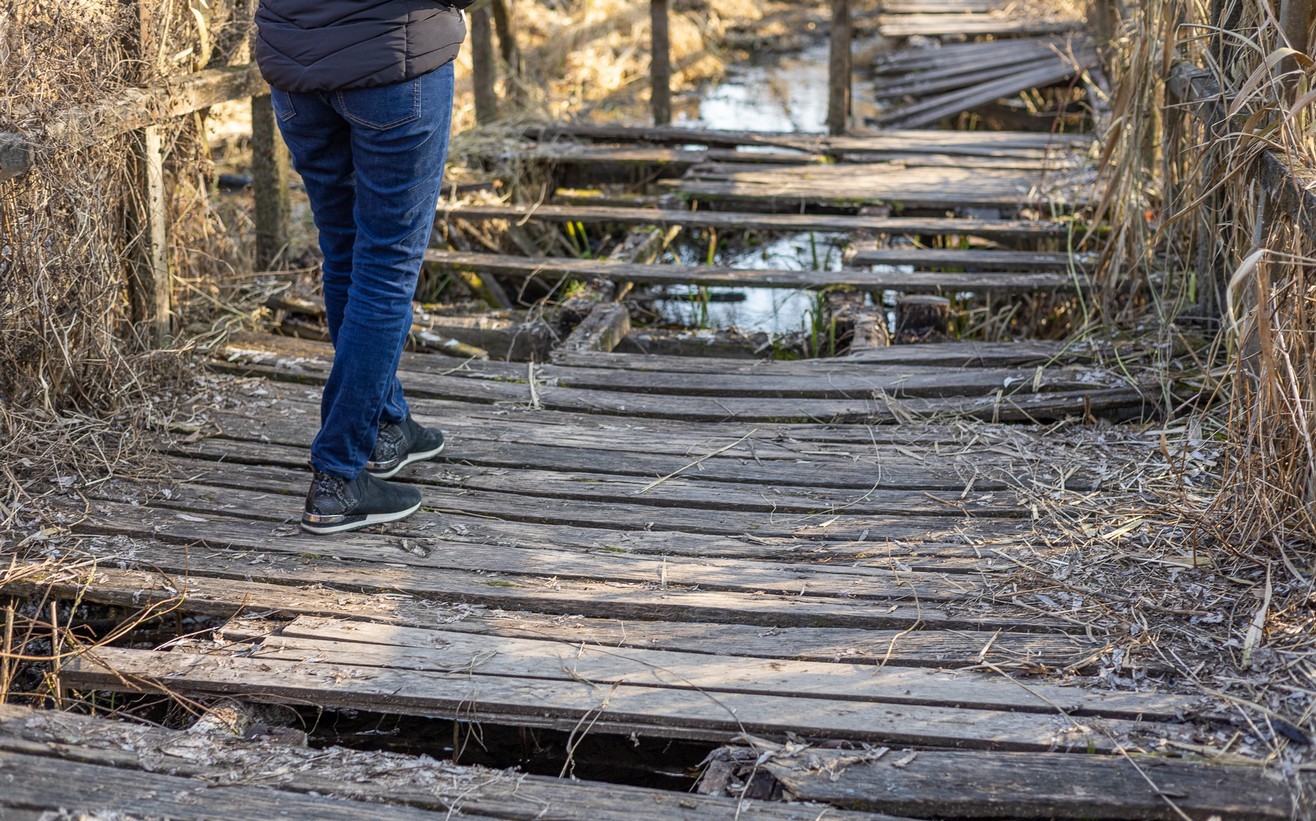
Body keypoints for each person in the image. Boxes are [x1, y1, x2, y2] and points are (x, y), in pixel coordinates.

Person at [253, 0, 476, 534]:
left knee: (346, 251)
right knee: (386, 265)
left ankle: (383, 423)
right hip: (393, 67)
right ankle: (339, 474)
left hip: (297, 73)